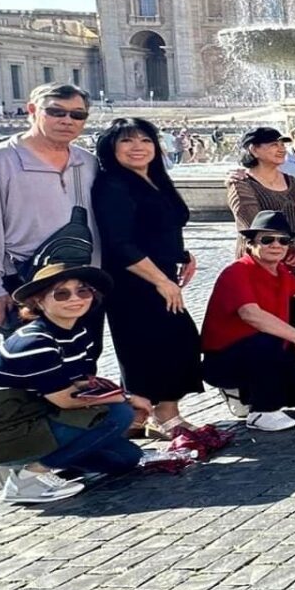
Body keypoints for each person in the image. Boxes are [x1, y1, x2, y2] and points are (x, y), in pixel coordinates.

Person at [0, 262, 139, 502]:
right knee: (118, 415)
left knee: (125, 458)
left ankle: (39, 463)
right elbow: (65, 400)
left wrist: (118, 394)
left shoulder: (78, 332)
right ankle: (26, 477)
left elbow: (80, 383)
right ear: (39, 302)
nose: (75, 298)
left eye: (83, 291)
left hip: (36, 413)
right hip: (0, 429)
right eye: (61, 293)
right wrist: (127, 399)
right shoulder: (34, 341)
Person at [91, 118, 203, 435]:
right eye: (127, 141)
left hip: (159, 273)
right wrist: (161, 280)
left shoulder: (154, 179)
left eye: (145, 140)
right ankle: (151, 415)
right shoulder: (113, 184)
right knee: (146, 345)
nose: (138, 147)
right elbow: (119, 242)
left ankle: (157, 413)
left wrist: (182, 255)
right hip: (132, 281)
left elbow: (159, 227)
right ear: (111, 148)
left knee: (176, 341)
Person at [0, 83, 99, 335]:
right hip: (24, 283)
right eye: (56, 112)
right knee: (31, 365)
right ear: (32, 110)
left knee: (84, 364)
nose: (67, 120)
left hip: (83, 284)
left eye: (77, 114)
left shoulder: (88, 162)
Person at [200, 211, 295, 431]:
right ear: (251, 244)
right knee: (265, 342)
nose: (276, 245)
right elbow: (251, 314)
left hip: (267, 353)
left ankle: (247, 393)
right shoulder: (237, 271)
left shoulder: (280, 271)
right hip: (225, 359)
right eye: (267, 239)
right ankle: (262, 411)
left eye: (283, 240)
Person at [228, 127, 295, 265]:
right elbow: (253, 228)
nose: (282, 149)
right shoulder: (241, 184)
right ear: (254, 150)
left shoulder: (291, 181)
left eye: (282, 144)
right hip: (260, 263)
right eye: (274, 145)